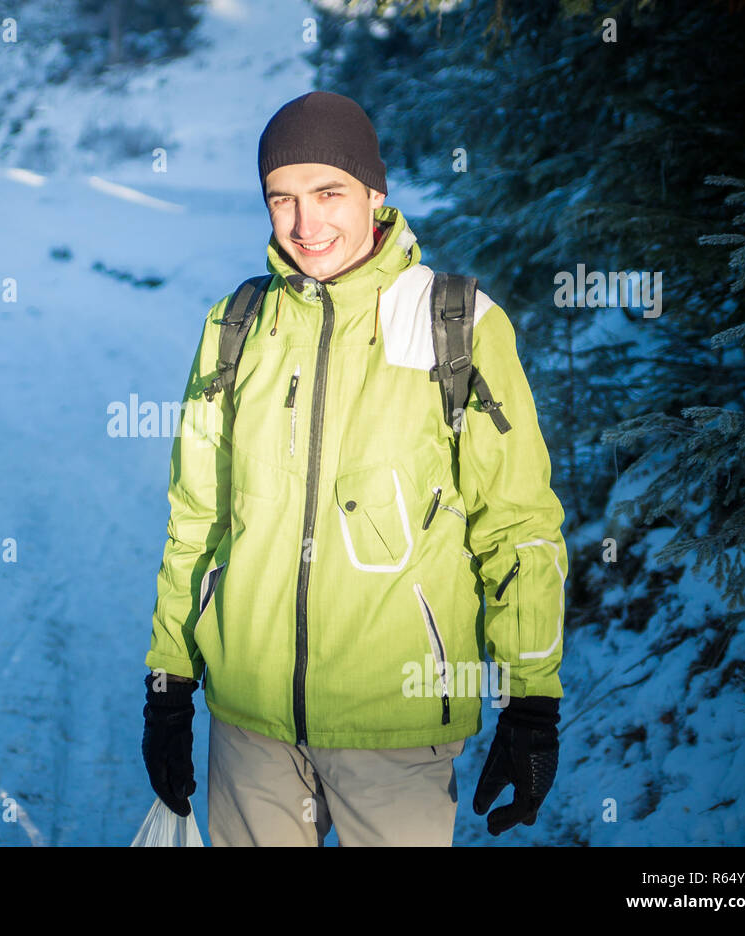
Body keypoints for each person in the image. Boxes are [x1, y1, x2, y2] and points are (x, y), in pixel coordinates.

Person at [141, 91, 568, 846]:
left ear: (376, 193)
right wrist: (170, 684)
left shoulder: (456, 324)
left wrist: (531, 699)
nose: (307, 226)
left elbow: (517, 524)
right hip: (251, 729)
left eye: (329, 193)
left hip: (397, 725)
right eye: (283, 199)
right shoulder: (235, 327)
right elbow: (197, 520)